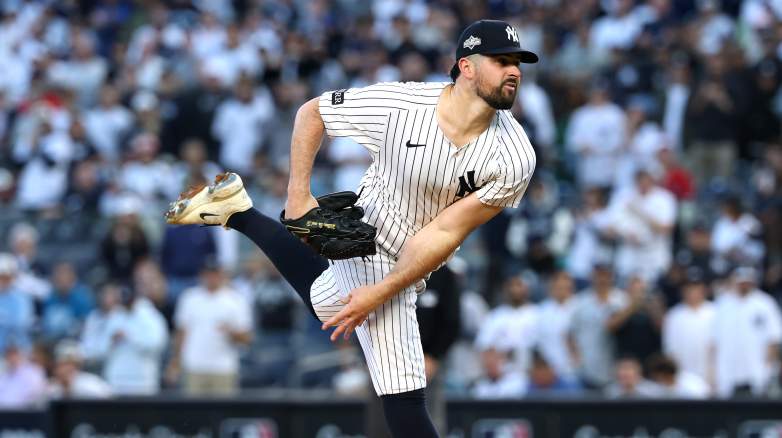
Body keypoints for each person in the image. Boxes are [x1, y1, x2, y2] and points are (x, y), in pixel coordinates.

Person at [165, 19, 538, 437]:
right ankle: (240, 213)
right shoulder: (403, 105)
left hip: (415, 259)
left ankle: (237, 211)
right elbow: (313, 112)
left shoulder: (514, 156)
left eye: (519, 62)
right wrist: (297, 199)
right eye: (502, 60)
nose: (515, 71)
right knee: (406, 397)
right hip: (364, 233)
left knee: (327, 304)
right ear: (466, 67)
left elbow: (443, 235)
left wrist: (378, 293)